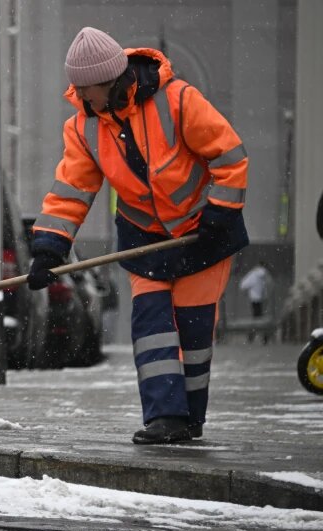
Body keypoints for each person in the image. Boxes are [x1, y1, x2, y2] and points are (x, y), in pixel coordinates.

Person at [27, 27, 249, 445]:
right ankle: (164, 416)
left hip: (204, 234)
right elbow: (71, 190)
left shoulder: (179, 100)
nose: (77, 96)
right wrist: (49, 247)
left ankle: (189, 418)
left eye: (84, 88)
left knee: (192, 329)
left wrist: (220, 208)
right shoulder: (83, 127)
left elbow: (229, 154)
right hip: (144, 237)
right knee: (152, 327)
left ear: (108, 80)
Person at [238, 261, 272, 343]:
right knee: (262, 318)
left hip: (255, 299)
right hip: (264, 299)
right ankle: (265, 337)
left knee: (255, 319)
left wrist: (248, 291)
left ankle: (251, 337)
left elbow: (243, 285)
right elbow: (270, 285)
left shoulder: (253, 274)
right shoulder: (267, 274)